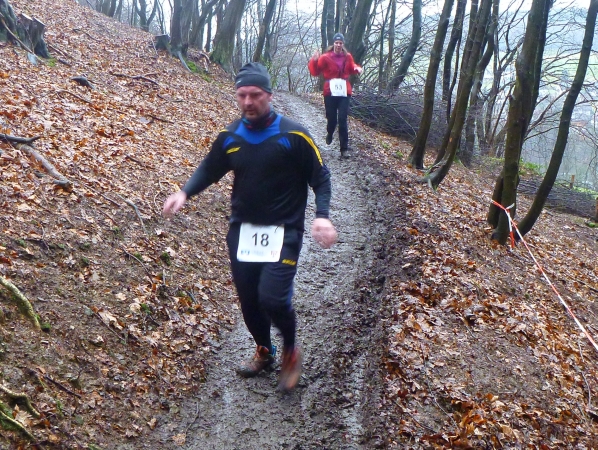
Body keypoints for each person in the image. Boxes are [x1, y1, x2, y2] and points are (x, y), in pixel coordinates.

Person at [162, 62, 338, 392]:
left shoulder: (294, 135)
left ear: (269, 95)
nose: (247, 102)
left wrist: (322, 215)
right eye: (241, 95)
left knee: (273, 298)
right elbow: (209, 169)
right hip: (242, 232)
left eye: (255, 95)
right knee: (249, 301)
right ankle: (264, 350)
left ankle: (290, 350)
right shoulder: (231, 137)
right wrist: (184, 192)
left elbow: (321, 178)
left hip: (284, 232)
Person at [308, 33, 363, 159]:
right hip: (330, 91)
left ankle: (344, 149)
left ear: (343, 44)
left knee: (342, 119)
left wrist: (357, 68)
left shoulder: (347, 56)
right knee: (331, 118)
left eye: (340, 43)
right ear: (333, 44)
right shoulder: (325, 57)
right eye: (336, 43)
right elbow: (315, 72)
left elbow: (351, 68)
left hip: (344, 91)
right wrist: (314, 60)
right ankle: (330, 132)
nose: (338, 45)